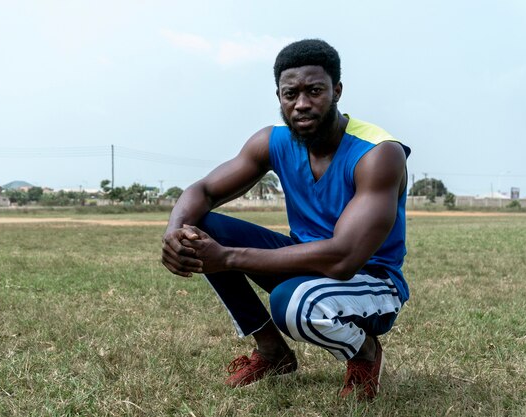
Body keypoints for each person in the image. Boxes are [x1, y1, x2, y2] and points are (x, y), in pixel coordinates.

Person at [161, 39, 410, 400]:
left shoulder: (377, 153)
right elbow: (204, 191)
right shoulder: (273, 141)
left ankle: (365, 351)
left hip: (370, 280)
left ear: (337, 91)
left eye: (315, 91)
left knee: (292, 303)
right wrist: (175, 232)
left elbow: (343, 258)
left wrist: (228, 257)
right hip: (307, 263)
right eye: (290, 93)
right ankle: (272, 352)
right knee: (199, 229)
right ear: (279, 96)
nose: (302, 104)